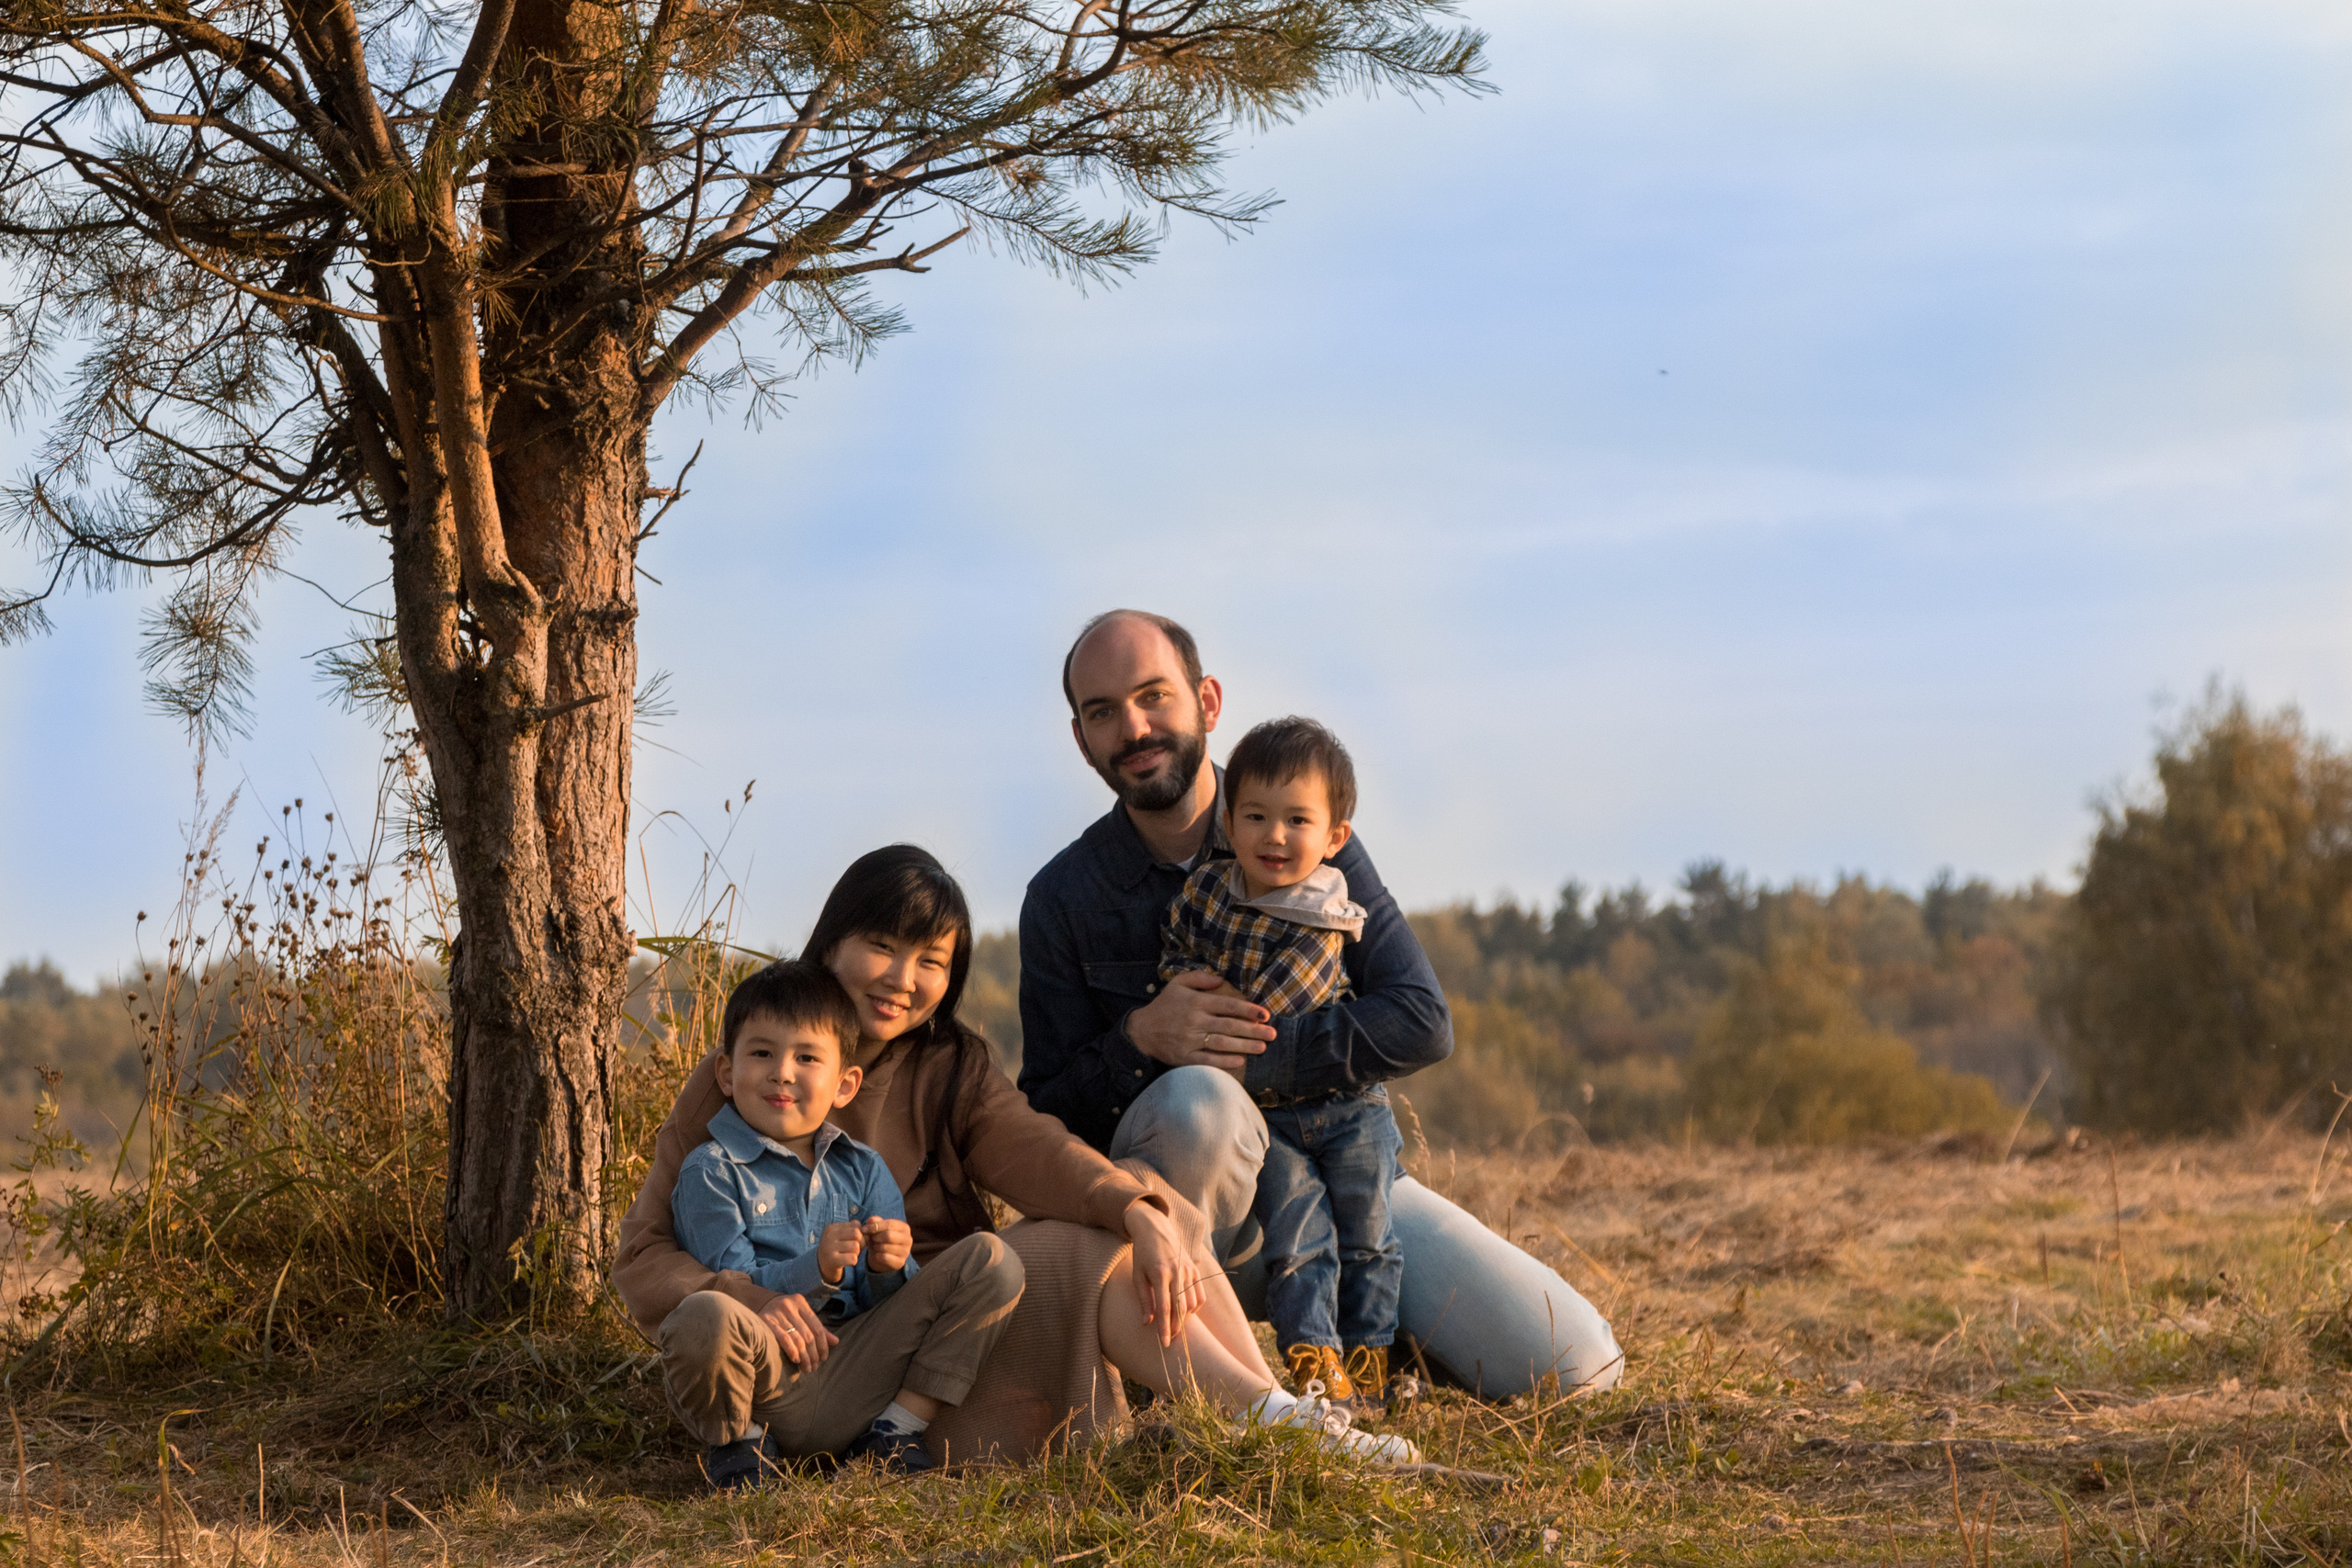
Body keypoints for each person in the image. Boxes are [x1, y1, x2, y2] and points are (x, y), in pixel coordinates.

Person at [614, 845, 1421, 1479]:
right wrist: (739, 1292)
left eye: (931, 959)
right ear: (834, 940)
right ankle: (1275, 1419)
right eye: (881, 946)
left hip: (932, 1355)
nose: (903, 980)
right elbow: (644, 1257)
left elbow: (1038, 1150)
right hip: (793, 1367)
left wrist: (1139, 1207)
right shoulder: (749, 1073)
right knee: (1082, 1247)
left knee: (1130, 1214)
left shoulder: (950, 1065)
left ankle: (1279, 1418)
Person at [1019, 609, 1625, 1397]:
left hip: (1345, 1173)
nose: (1133, 726)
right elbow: (1047, 1119)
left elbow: (1420, 1017)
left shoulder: (1301, 825)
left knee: (1576, 1363)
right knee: (1203, 1102)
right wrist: (1143, 1038)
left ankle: (1370, 1344)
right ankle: (1185, 1378)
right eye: (1103, 712)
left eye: (1152, 696)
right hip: (1190, 1214)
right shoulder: (1063, 896)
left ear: (1207, 701)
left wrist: (1258, 1056)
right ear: (1082, 739)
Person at [667, 959, 1021, 1485]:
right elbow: (733, 1286)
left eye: (806, 1057)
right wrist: (816, 1270)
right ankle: (741, 1449)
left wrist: (891, 1266)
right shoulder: (710, 1171)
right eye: (761, 1053)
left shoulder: (862, 1168)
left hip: (861, 1368)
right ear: (726, 1072)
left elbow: (895, 1304)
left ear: (844, 1084)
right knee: (703, 1315)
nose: (782, 1072)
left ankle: (894, 1433)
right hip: (769, 1381)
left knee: (992, 1261)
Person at [1159, 716, 1403, 1409]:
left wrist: (1215, 1014)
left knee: (1370, 1235)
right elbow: (1177, 950)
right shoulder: (1208, 892)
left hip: (1350, 1108)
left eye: (1298, 820)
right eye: (1257, 816)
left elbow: (1271, 1010)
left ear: (1334, 837)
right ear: (1228, 822)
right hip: (1273, 1120)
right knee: (1300, 1237)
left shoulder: (1331, 910)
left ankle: (1372, 1358)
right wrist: (1184, 985)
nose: (1275, 835)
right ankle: (1317, 1370)